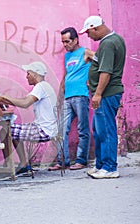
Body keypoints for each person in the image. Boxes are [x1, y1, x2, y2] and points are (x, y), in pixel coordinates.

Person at [79, 15, 126, 178]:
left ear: (95, 28)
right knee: (98, 130)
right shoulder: (113, 40)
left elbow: (106, 71)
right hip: (105, 93)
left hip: (106, 94)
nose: (88, 36)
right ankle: (101, 165)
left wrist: (97, 93)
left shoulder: (107, 43)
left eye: (88, 32)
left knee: (105, 130)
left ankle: (109, 167)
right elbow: (101, 66)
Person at [0, 61, 58, 175]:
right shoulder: (42, 86)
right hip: (45, 128)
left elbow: (25, 104)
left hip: (44, 130)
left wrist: (5, 97)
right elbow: (21, 101)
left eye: (28, 74)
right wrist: (3, 99)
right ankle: (23, 163)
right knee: (10, 129)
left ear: (35, 75)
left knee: (5, 131)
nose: (26, 76)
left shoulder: (41, 86)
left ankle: (10, 165)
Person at [48, 27, 91, 171]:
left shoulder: (85, 52)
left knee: (82, 129)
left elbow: (102, 60)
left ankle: (81, 160)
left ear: (76, 40)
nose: (65, 45)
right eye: (63, 42)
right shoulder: (67, 56)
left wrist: (92, 78)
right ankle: (63, 161)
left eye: (67, 41)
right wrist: (60, 96)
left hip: (81, 96)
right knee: (61, 129)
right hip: (68, 97)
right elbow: (65, 76)